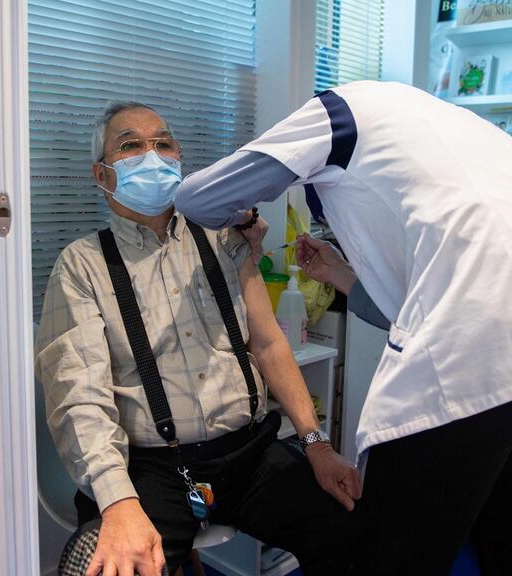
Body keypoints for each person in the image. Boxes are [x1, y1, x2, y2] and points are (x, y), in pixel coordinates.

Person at [175, 80, 512, 575]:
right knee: (503, 540)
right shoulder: (453, 131)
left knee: (388, 555)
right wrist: (342, 275)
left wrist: (244, 220)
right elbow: (429, 304)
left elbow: (198, 198)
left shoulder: (335, 113)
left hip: (487, 348)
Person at [35, 101, 360, 576]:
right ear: (103, 176)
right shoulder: (81, 266)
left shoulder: (225, 239)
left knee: (354, 530)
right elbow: (80, 399)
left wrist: (317, 444)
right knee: (108, 568)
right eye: (130, 146)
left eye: (163, 143)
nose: (152, 155)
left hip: (249, 454)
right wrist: (118, 500)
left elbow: (268, 344)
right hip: (152, 470)